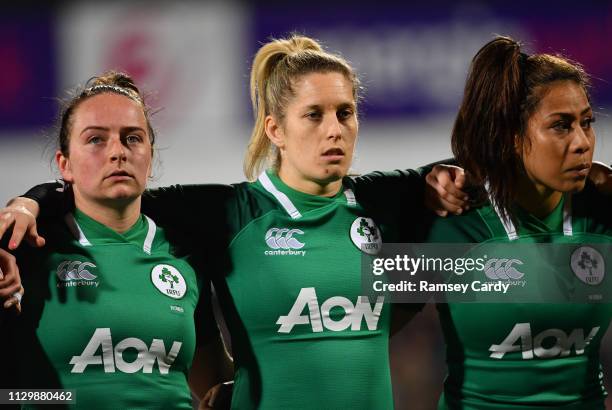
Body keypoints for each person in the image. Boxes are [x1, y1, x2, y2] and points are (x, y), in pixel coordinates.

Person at [3, 36, 469, 409]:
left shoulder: (383, 202)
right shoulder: (221, 216)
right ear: (274, 129)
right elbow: (14, 391)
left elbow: (207, 376)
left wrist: (453, 181)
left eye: (345, 113)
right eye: (313, 114)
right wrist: (31, 201)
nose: (333, 128)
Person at [0, 72, 232, 409]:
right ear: (64, 165)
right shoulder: (26, 250)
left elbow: (214, 385)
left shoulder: (184, 256)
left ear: (150, 158)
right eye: (96, 139)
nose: (117, 152)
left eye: (132, 138)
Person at [425, 36, 612, 409]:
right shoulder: (452, 222)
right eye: (561, 126)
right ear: (512, 136)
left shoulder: (603, 214)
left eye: (586, 123)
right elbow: (372, 331)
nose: (582, 142)